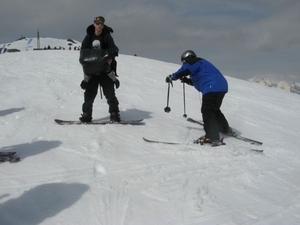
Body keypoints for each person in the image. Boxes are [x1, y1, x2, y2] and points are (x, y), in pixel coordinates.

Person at [166, 50, 232, 146]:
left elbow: (185, 70)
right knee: (214, 110)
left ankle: (212, 137)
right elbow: (199, 81)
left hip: (212, 87)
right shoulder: (201, 65)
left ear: (189, 58)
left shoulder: (194, 62)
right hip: (221, 86)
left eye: (184, 61)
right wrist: (187, 81)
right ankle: (224, 128)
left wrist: (172, 77)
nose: (184, 63)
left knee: (207, 110)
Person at [79, 16, 120, 123]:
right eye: (97, 23)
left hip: (105, 71)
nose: (99, 25)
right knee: (89, 96)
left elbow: (113, 49)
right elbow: (83, 54)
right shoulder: (88, 37)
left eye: (101, 23)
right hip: (92, 72)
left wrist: (110, 58)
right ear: (94, 24)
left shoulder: (107, 36)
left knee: (110, 94)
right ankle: (86, 115)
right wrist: (85, 79)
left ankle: (114, 114)